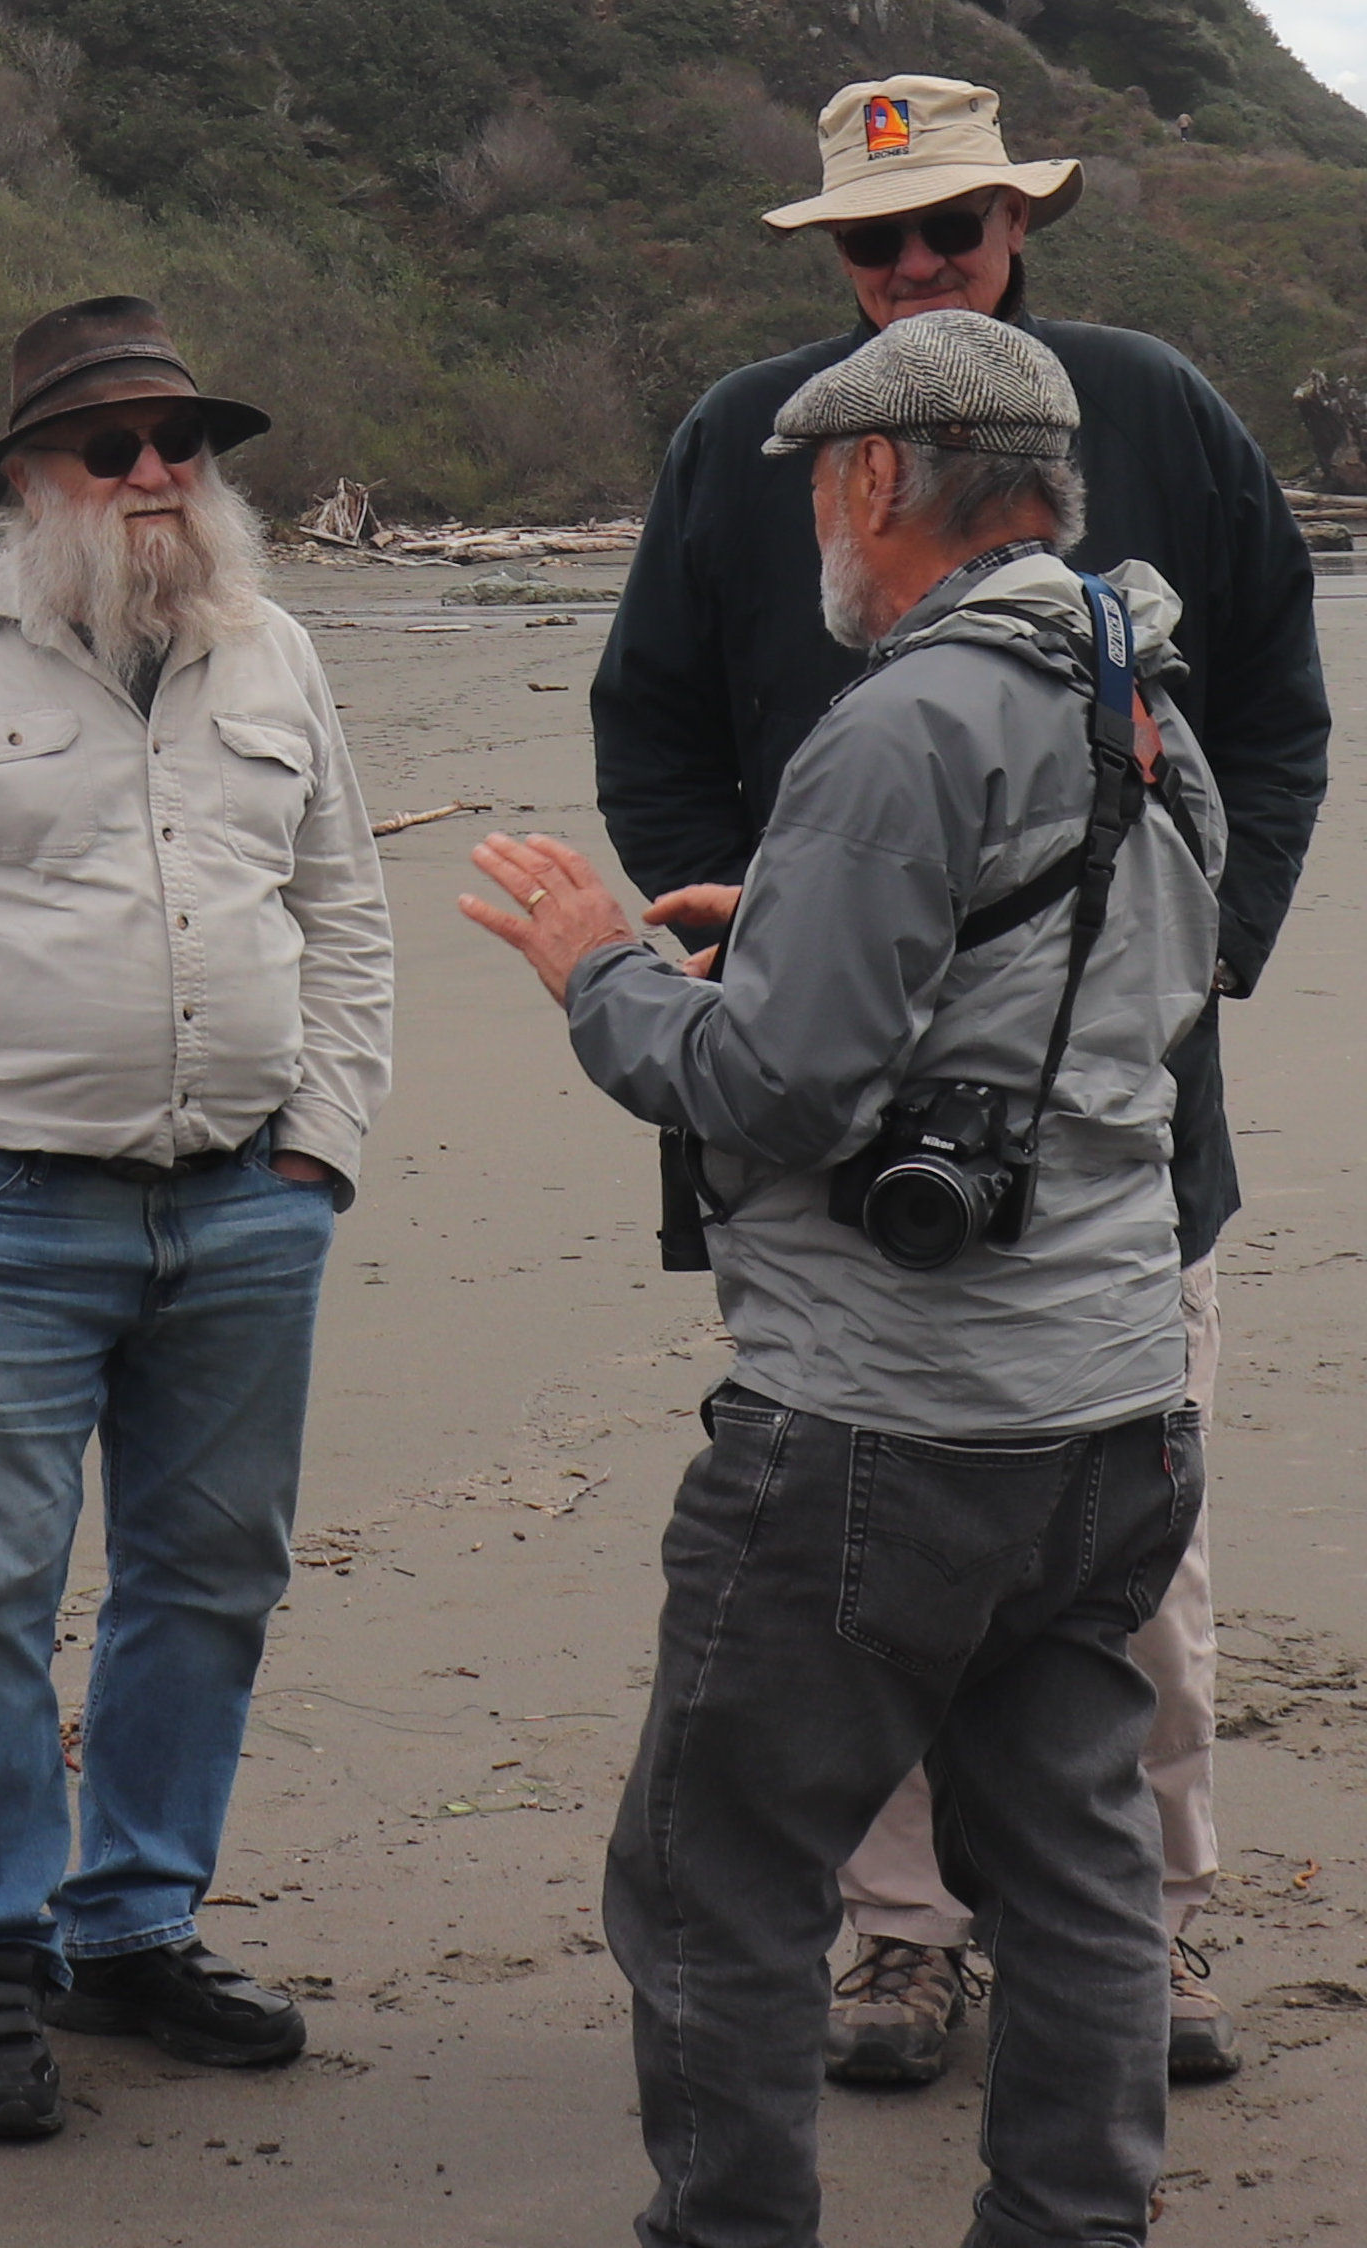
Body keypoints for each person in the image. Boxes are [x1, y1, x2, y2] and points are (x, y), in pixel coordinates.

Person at [590, 71, 1329, 2086]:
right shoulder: (740, 440)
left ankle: (1145, 1929)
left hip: (1115, 1131)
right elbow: (650, 722)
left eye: (951, 226)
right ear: (832, 252)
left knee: (1129, 1569)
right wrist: (738, 939)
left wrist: (1198, 945)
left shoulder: (1151, 407)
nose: (914, 261)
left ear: (1019, 224)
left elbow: (1272, 699)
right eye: (874, 237)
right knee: (850, 1554)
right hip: (825, 1140)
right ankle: (900, 1937)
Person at [468, 311, 1220, 2248]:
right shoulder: (1135, 695)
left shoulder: (899, 721)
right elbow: (1077, 980)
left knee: (711, 1870)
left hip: (886, 1416)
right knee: (1069, 1861)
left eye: (821, 480)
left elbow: (774, 1088)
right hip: (1113, 1400)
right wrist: (798, 914)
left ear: (876, 475)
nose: (816, 516)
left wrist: (594, 966)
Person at [0, 295, 393, 2140]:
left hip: (244, 1209)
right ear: (28, 480)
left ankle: (135, 1924)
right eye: (110, 446)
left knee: (207, 1581)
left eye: (181, 442)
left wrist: (319, 1143)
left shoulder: (273, 652)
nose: (155, 472)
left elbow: (343, 910)